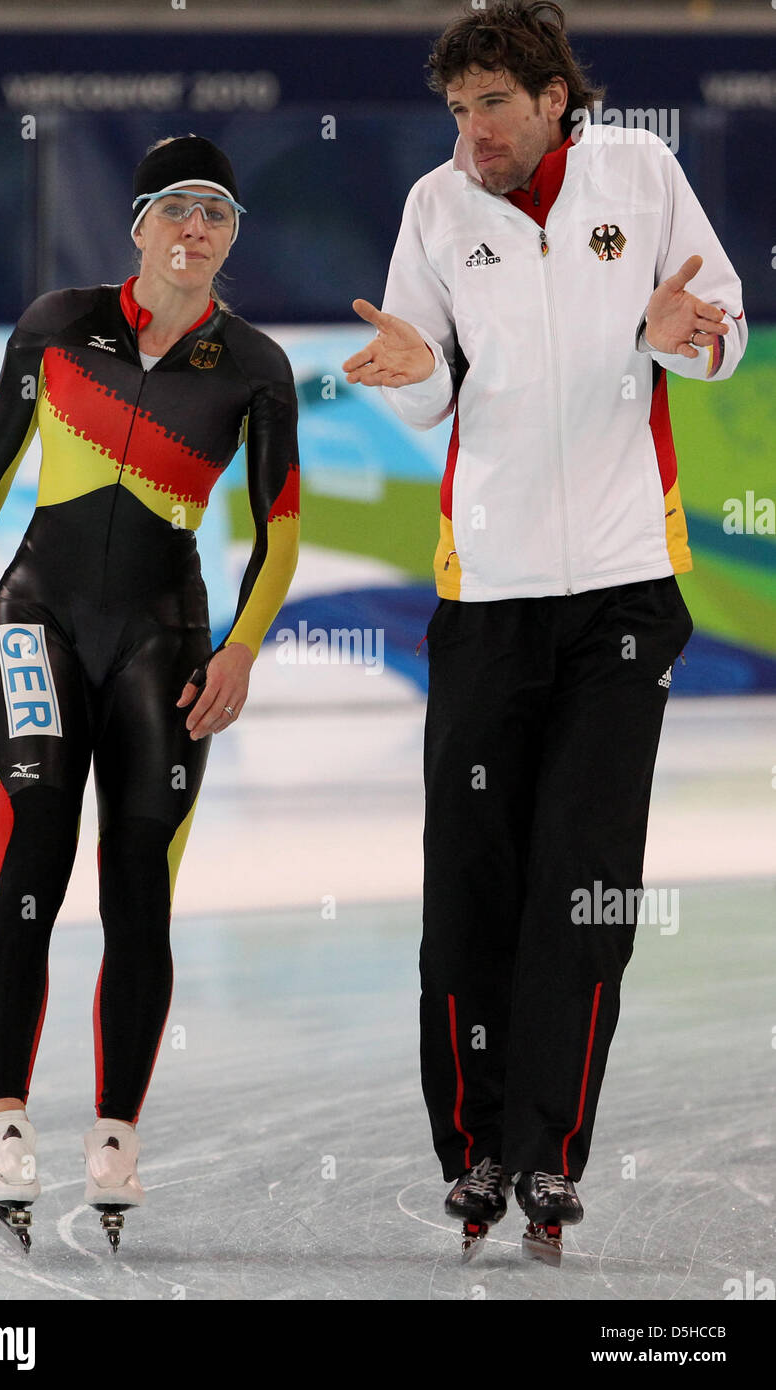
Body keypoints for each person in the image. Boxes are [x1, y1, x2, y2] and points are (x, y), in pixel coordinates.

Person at [343, 1, 745, 1264]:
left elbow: (714, 327)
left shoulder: (643, 175)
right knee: (471, 881)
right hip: (487, 599)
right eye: (458, 111)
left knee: (584, 885)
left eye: (494, 106)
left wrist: (697, 340)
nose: (473, 135)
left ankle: (551, 1162)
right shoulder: (433, 211)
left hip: (625, 591)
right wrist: (409, 370)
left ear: (556, 97)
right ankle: (471, 1152)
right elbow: (423, 402)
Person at [0, 134, 300, 1252]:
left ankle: (116, 1132)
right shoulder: (57, 324)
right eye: (176, 208)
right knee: (29, 856)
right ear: (137, 227)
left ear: (230, 237)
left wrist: (243, 650)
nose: (196, 230)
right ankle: (8, 1117)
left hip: (163, 639)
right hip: (39, 618)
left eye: (217, 213)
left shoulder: (253, 364)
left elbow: (281, 530)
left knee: (140, 885)